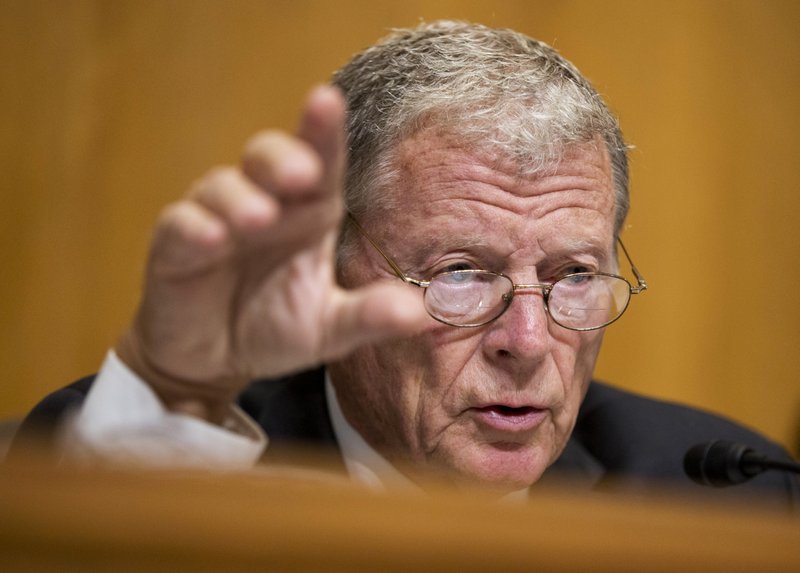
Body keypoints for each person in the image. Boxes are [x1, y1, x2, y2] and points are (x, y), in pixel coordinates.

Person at [11, 21, 799, 506]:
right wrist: (175, 392)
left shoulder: (724, 495)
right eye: (462, 271)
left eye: (573, 276)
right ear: (331, 262)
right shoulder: (144, 458)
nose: (526, 341)